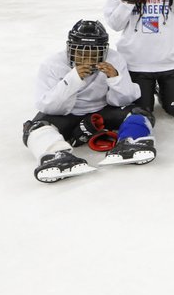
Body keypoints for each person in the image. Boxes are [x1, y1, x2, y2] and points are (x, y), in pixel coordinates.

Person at [22, 21, 156, 183]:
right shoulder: (52, 64)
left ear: (104, 51)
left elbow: (124, 100)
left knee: (139, 113)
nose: (87, 59)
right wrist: (72, 79)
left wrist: (115, 78)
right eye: (81, 53)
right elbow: (48, 106)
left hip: (102, 110)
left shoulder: (114, 59)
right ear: (70, 49)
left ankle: (130, 142)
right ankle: (56, 155)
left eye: (94, 53)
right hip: (66, 115)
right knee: (36, 127)